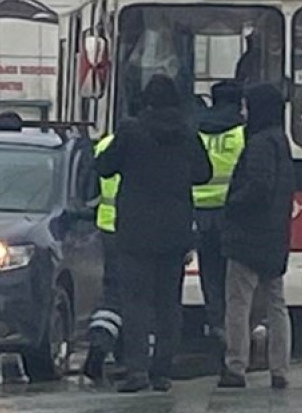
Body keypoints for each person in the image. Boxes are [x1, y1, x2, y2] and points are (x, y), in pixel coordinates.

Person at [95, 74, 212, 393]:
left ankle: (137, 371)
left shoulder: (131, 131)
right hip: (175, 231)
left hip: (136, 231)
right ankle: (162, 371)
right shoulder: (187, 133)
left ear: (146, 100)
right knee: (168, 304)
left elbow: (104, 166)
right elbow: (204, 173)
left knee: (137, 303)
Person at [218, 82, 296, 390]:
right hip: (275, 234)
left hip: (249, 235)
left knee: (238, 303)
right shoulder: (281, 141)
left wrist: (232, 205)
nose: (243, 112)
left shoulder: (261, 143)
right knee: (276, 303)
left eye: (247, 106)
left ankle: (236, 366)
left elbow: (258, 187)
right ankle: (280, 369)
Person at [193, 81, 246, 348]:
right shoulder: (242, 133)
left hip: (199, 211)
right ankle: (232, 327)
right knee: (233, 274)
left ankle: (215, 322)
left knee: (209, 272)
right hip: (231, 212)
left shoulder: (197, 129)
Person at [82, 131, 123, 382]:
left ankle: (100, 339)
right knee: (136, 298)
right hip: (139, 230)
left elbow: (90, 194)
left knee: (111, 294)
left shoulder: (105, 143)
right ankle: (122, 351)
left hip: (105, 228)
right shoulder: (152, 141)